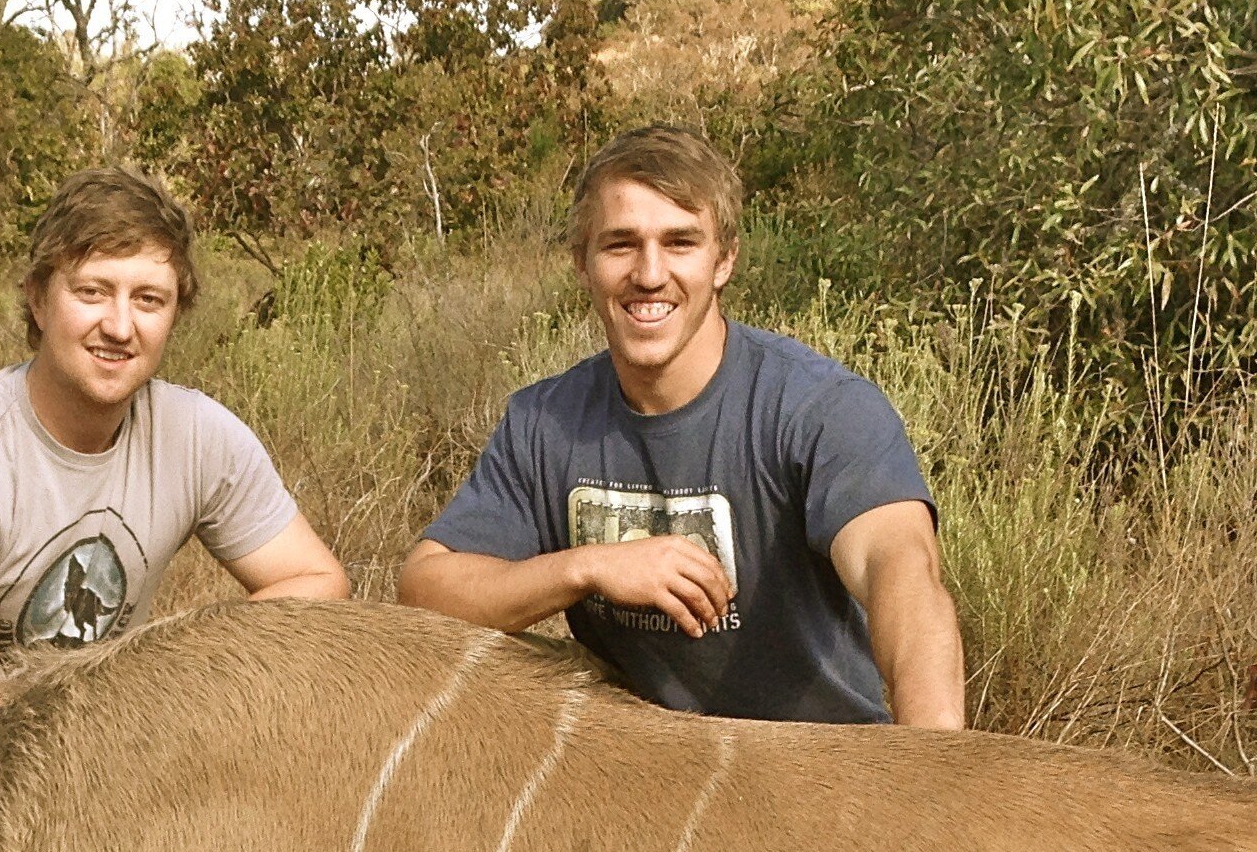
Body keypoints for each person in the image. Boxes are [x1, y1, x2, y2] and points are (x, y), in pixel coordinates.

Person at [397, 125, 963, 727]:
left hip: (815, 772)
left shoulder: (819, 408)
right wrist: (587, 567)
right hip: (647, 778)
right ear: (582, 265)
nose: (649, 273)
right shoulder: (543, 422)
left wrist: (933, 772)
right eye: (620, 244)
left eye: (680, 243)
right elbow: (425, 589)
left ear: (724, 261)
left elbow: (899, 567)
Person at [0, 168, 348, 747]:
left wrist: (170, 666)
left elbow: (319, 581)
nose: (119, 326)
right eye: (92, 292)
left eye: (149, 300)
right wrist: (122, 705)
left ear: (175, 315)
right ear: (37, 300)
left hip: (83, 760)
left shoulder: (200, 437)